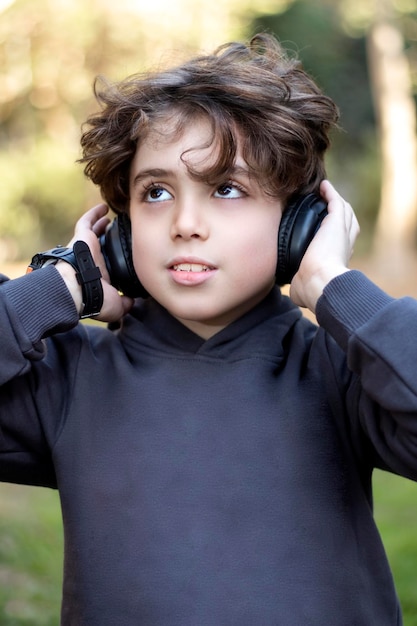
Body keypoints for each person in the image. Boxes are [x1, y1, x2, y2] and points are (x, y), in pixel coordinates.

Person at [0, 32, 416, 625]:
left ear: (297, 225)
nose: (185, 223)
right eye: (156, 192)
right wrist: (60, 288)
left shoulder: (341, 371)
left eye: (226, 188)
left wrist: (334, 288)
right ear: (119, 234)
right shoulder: (69, 380)